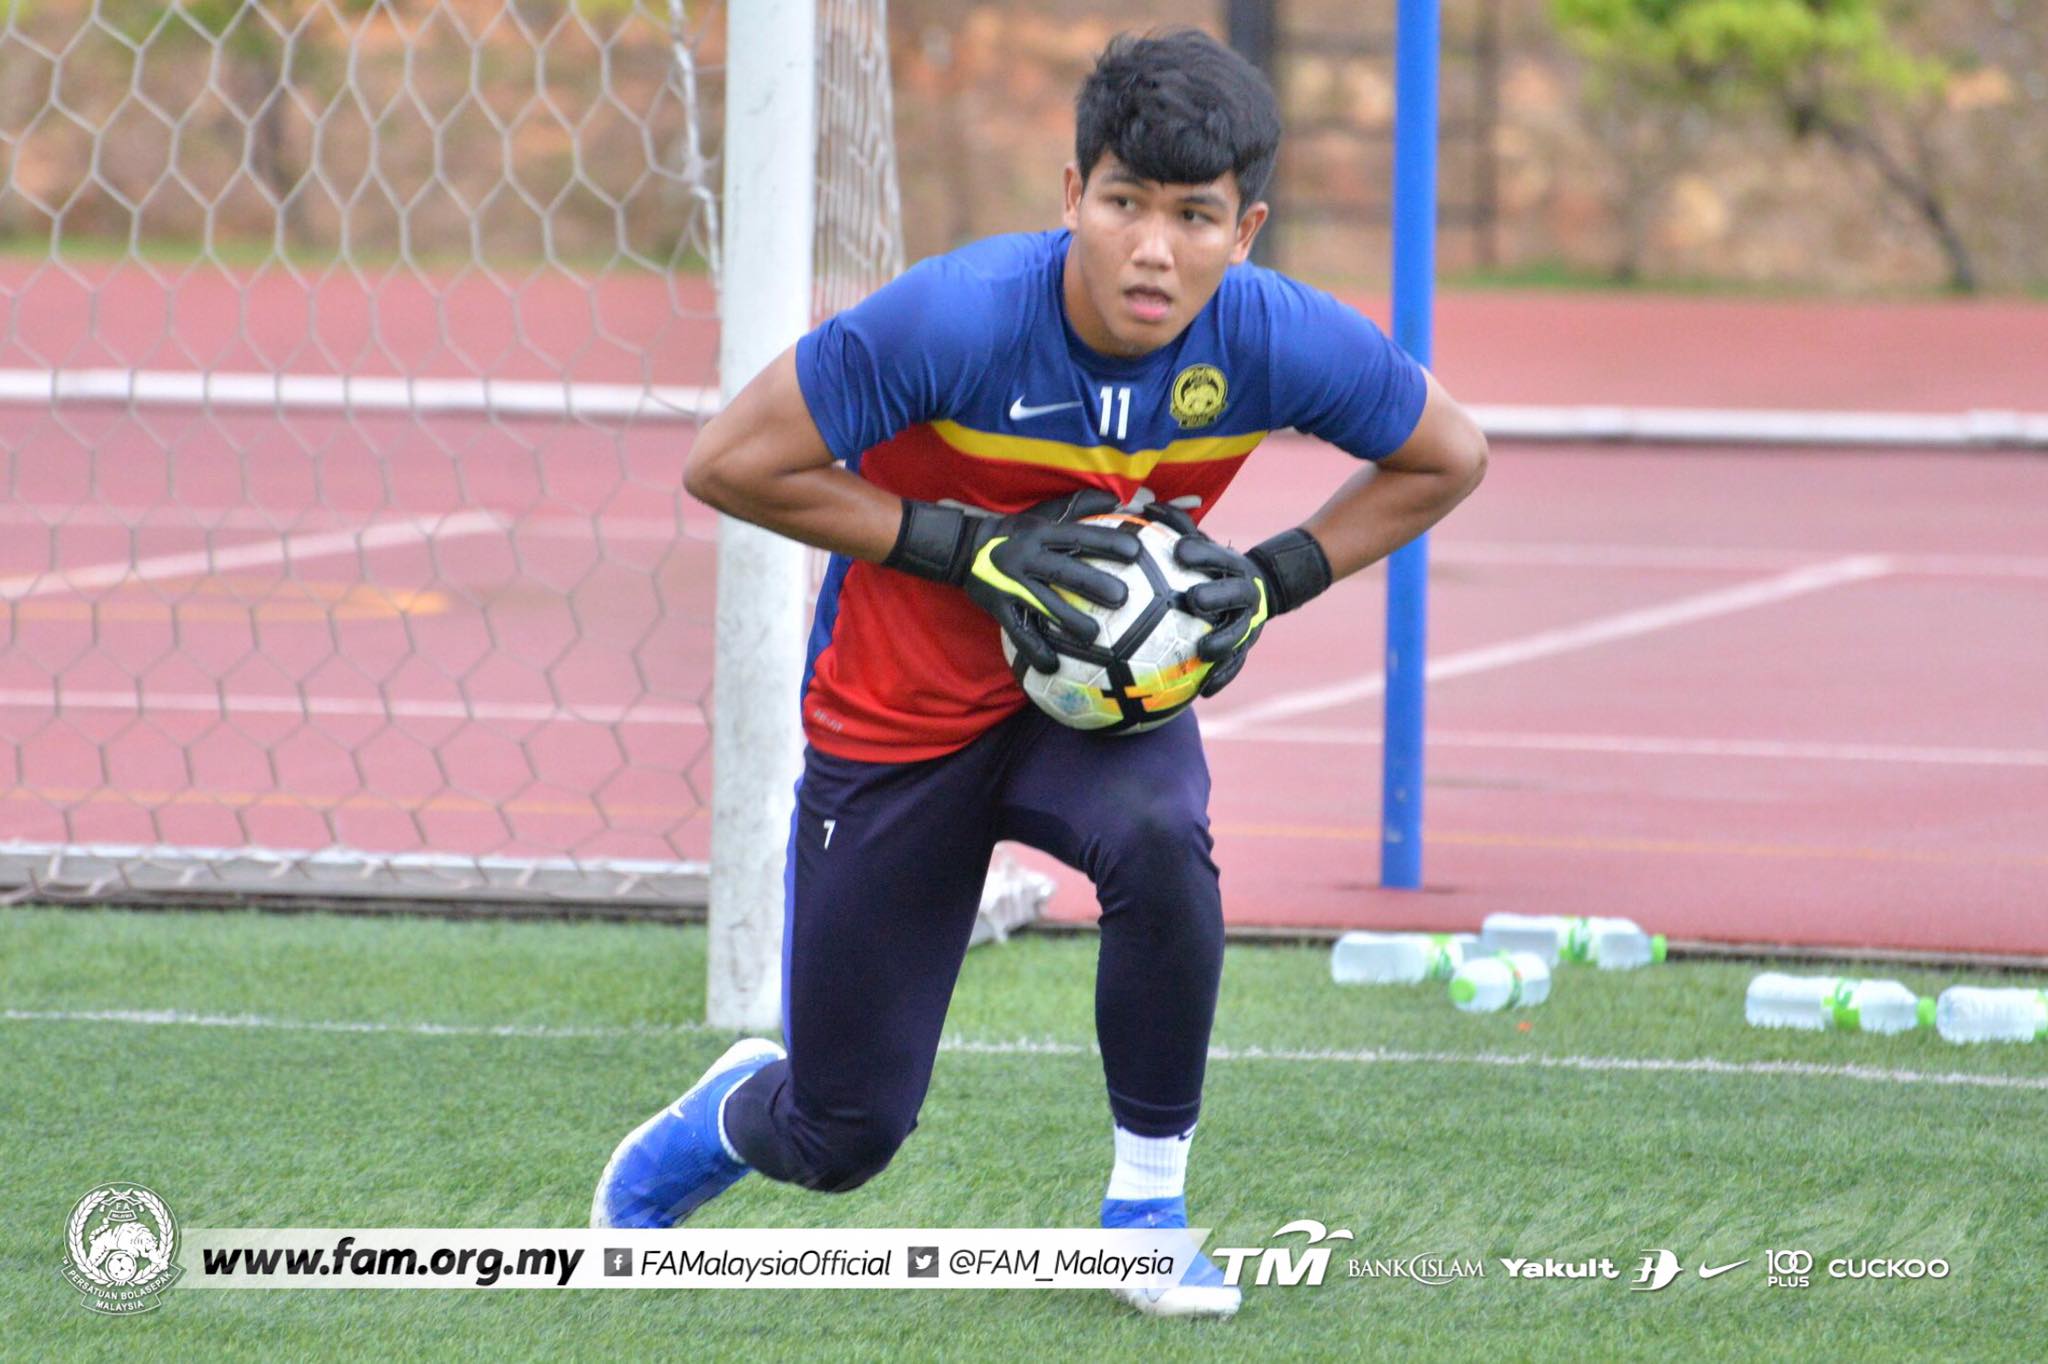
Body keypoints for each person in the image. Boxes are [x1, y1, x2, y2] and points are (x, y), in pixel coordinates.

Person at [591, 27, 1487, 1317]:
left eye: (1195, 217)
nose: (1154, 249)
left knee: (1164, 838)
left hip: (1098, 711)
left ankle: (1148, 1210)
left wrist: (1274, 578)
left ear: (1246, 232)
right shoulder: (954, 317)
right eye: (1125, 204)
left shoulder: (1276, 338)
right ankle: (729, 1113)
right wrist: (969, 551)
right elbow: (729, 461)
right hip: (899, 711)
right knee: (843, 1133)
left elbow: (1448, 454)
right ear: (1073, 196)